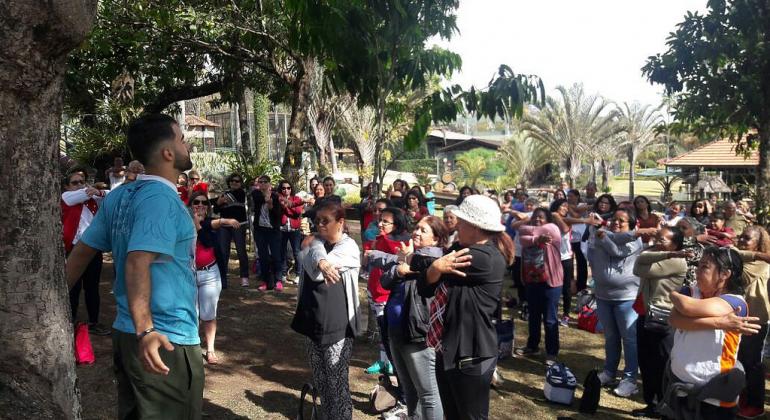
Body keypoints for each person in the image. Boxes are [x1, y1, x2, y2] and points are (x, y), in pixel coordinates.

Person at [65, 114, 204, 418]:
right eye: (181, 139)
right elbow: (137, 261)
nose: (187, 144)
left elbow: (81, 253)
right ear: (168, 153)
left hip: (128, 335)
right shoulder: (161, 200)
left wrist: (52, 308)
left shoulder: (120, 196)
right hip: (163, 338)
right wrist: (147, 331)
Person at [418, 195, 513, 419]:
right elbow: (425, 286)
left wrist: (431, 265)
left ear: (476, 226)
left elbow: (422, 265)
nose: (456, 224)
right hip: (448, 350)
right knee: (452, 414)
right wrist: (435, 267)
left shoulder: (484, 258)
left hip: (471, 354)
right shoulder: (459, 249)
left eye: (461, 220)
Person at [367, 216, 448, 420]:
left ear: (436, 238)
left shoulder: (436, 260)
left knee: (428, 394)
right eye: (416, 228)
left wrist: (405, 262)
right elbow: (385, 282)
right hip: (396, 331)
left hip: (418, 334)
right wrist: (400, 268)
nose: (416, 233)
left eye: (423, 230)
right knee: (409, 391)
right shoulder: (410, 255)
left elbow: (425, 274)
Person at [667, 247, 759, 419]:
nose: (697, 270)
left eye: (704, 267)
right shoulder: (691, 292)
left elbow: (686, 308)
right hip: (680, 382)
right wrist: (719, 322)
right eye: (698, 265)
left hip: (715, 390)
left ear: (724, 274)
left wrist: (673, 294)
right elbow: (674, 320)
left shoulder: (734, 302)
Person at [291, 201, 361, 420]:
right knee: (321, 382)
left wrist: (315, 253)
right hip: (312, 321)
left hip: (336, 326)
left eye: (325, 221)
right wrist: (317, 255)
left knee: (337, 383)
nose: (319, 225)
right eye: (317, 221)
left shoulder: (348, 247)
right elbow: (308, 259)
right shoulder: (318, 243)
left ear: (340, 222)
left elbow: (315, 271)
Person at [631, 226, 689, 418]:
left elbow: (638, 266)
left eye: (663, 239)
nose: (657, 240)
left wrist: (664, 254)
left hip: (662, 318)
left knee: (661, 363)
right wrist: (658, 252)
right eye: (657, 237)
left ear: (675, 245)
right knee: (646, 362)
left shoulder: (676, 261)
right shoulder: (658, 254)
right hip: (645, 314)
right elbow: (642, 258)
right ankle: (651, 404)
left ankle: (665, 406)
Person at [587, 208, 643, 397]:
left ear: (632, 226)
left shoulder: (635, 241)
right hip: (603, 296)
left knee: (629, 339)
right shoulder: (602, 234)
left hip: (626, 297)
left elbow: (617, 251)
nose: (616, 223)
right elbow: (592, 254)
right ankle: (609, 372)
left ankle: (629, 379)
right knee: (611, 337)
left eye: (622, 221)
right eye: (613, 219)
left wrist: (602, 237)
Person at [189, 192, 240, 364]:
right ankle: (193, 347)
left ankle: (210, 349)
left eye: (204, 203)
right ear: (191, 205)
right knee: (191, 313)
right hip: (188, 274)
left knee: (208, 314)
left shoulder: (209, 225)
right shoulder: (182, 222)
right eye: (196, 202)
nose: (200, 205)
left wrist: (199, 225)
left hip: (209, 274)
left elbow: (208, 240)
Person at [62, 171, 110, 336]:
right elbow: (73, 197)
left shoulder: (92, 198)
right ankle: (70, 321)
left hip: (92, 249)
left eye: (82, 182)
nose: (80, 185)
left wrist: (99, 192)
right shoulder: (67, 197)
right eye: (75, 182)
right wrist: (93, 191)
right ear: (67, 186)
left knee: (92, 287)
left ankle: (94, 322)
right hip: (73, 249)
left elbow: (112, 195)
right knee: (72, 287)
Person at [364, 207, 411, 375]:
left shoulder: (403, 243)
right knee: (382, 327)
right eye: (380, 220)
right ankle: (384, 360)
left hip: (387, 292)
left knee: (388, 329)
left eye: (385, 221)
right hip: (375, 287)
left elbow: (399, 263)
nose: (380, 223)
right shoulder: (382, 237)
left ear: (397, 223)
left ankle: (391, 362)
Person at [516, 207, 564, 362]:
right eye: (535, 217)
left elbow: (523, 230)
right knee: (534, 316)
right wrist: (537, 240)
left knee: (550, 319)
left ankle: (552, 352)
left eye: (541, 217)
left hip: (551, 282)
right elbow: (521, 233)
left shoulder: (553, 229)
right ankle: (532, 346)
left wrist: (533, 236)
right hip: (532, 281)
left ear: (548, 219)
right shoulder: (528, 232)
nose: (537, 219)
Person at [734, 226, 770, 418]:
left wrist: (755, 255)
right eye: (740, 236)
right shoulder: (752, 256)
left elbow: (739, 274)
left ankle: (756, 405)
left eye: (746, 239)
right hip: (738, 317)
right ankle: (742, 396)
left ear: (758, 243)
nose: (740, 240)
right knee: (739, 360)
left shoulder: (761, 261)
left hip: (756, 317)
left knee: (752, 362)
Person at [214, 173, 249, 288]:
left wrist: (217, 201)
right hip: (224, 225)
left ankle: (244, 277)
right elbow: (215, 209)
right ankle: (223, 279)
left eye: (237, 181)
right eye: (232, 181)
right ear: (229, 182)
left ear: (240, 183)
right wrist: (218, 202)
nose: (234, 183)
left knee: (241, 251)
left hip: (239, 225)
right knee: (223, 252)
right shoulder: (224, 193)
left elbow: (230, 199)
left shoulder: (241, 193)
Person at [252, 175, 284, 291]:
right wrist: (267, 200)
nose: (263, 184)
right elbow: (260, 199)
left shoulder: (275, 197)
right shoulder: (256, 194)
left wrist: (271, 207)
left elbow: (278, 214)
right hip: (260, 230)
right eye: (260, 182)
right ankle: (266, 281)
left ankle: (278, 280)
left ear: (269, 183)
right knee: (263, 256)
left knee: (276, 255)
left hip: (273, 230)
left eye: (265, 182)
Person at [550, 199, 576, 326]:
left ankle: (566, 315)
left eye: (567, 206)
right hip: (551, 258)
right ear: (556, 207)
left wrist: (557, 216)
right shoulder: (549, 219)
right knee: (552, 286)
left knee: (566, 288)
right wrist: (554, 215)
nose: (565, 208)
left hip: (565, 258)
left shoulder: (567, 220)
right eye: (562, 206)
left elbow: (565, 229)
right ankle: (551, 311)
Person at [277, 180, 304, 284]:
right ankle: (283, 273)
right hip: (282, 229)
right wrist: (289, 206)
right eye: (283, 188)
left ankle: (298, 274)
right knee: (282, 252)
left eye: (288, 188)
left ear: (291, 189)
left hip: (294, 230)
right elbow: (278, 212)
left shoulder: (296, 199)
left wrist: (286, 206)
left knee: (297, 252)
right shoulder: (278, 199)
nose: (286, 190)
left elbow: (297, 212)